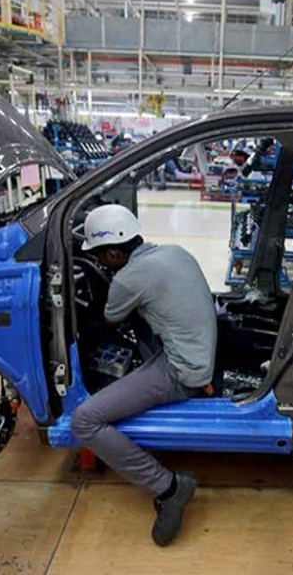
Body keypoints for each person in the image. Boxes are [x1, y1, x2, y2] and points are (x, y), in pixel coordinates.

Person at [70, 204, 218, 546]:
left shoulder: (127, 278)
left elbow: (107, 321)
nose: (99, 263)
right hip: (198, 351)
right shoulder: (173, 252)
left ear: (113, 251)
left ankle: (168, 488)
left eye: (99, 257)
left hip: (182, 371)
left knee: (85, 420)